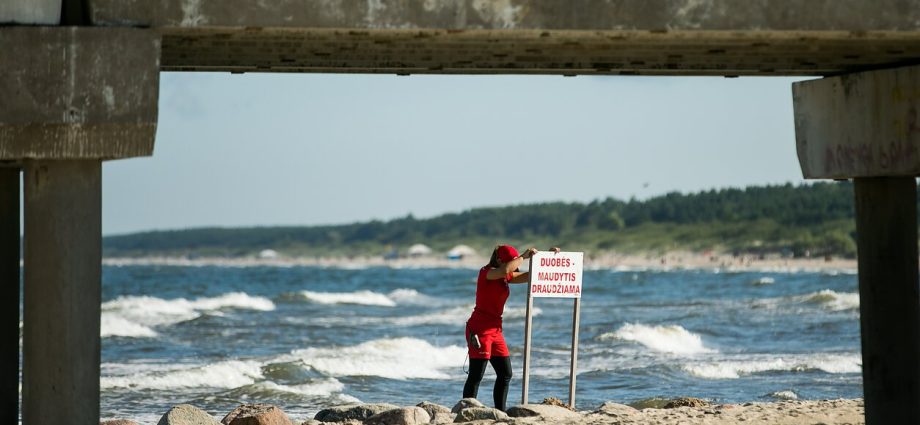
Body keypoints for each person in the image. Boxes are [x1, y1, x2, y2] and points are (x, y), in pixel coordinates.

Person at [462, 244, 559, 411]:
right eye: (512, 261)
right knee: (476, 375)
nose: (515, 264)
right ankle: (465, 411)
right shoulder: (487, 273)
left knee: (505, 373)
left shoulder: (505, 276)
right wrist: (523, 256)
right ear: (499, 260)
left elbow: (530, 275)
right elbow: (504, 270)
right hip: (479, 329)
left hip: (496, 330)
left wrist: (548, 258)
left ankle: (501, 412)